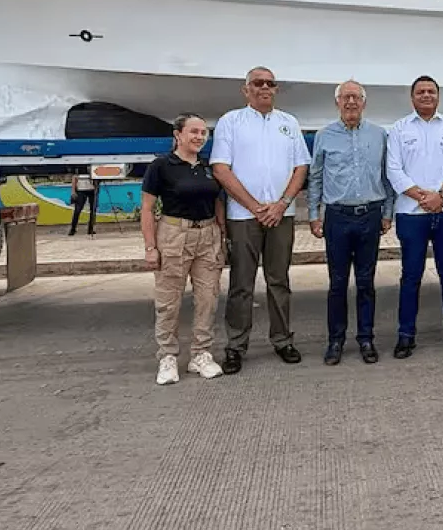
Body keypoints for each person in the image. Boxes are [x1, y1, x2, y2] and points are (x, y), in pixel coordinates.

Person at [212, 66, 311, 373]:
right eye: (258, 83)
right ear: (246, 90)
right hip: (243, 216)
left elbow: (301, 168)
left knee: (279, 281)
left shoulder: (289, 122)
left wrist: (281, 204)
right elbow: (220, 169)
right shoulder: (231, 121)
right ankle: (236, 346)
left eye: (270, 83)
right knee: (241, 284)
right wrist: (256, 207)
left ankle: (282, 340)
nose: (265, 87)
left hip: (281, 215)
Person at [307, 80, 394, 366]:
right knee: (337, 283)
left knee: (367, 282)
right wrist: (313, 214)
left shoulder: (379, 135)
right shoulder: (324, 135)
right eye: (345, 97)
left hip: (370, 215)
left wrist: (387, 212)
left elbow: (387, 175)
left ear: (364, 102)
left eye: (356, 97)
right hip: (337, 217)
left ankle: (366, 338)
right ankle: (336, 341)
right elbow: (316, 176)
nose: (351, 102)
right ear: (337, 102)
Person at [386, 76, 443, 359]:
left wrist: (441, 195)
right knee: (411, 275)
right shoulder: (399, 128)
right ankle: (406, 334)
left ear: (438, 97)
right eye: (420, 92)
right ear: (412, 98)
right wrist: (423, 197)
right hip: (411, 213)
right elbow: (394, 170)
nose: (426, 95)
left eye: (431, 91)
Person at [141, 113, 226, 385]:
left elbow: (217, 202)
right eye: (194, 131)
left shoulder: (207, 167)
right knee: (168, 301)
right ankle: (167, 356)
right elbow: (147, 209)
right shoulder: (161, 166)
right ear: (178, 134)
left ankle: (200, 354)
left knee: (208, 298)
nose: (199, 136)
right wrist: (150, 247)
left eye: (204, 132)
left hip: (208, 235)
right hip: (174, 234)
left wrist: (223, 237)